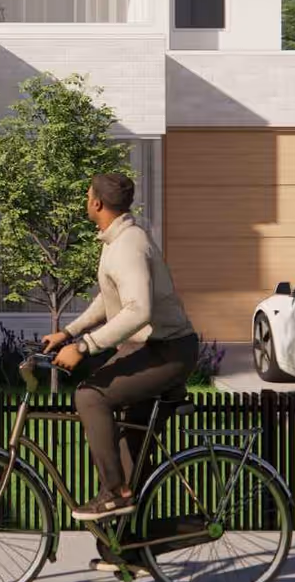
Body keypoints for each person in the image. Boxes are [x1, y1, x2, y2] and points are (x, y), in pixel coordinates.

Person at [40, 173, 199, 523]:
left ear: (96, 203)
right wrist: (68, 332)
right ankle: (130, 544)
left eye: (87, 196)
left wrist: (84, 346)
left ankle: (114, 493)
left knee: (89, 396)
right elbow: (109, 297)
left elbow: (137, 309)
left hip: (167, 350)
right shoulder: (118, 241)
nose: (85, 201)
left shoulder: (128, 245)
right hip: (153, 347)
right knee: (131, 447)